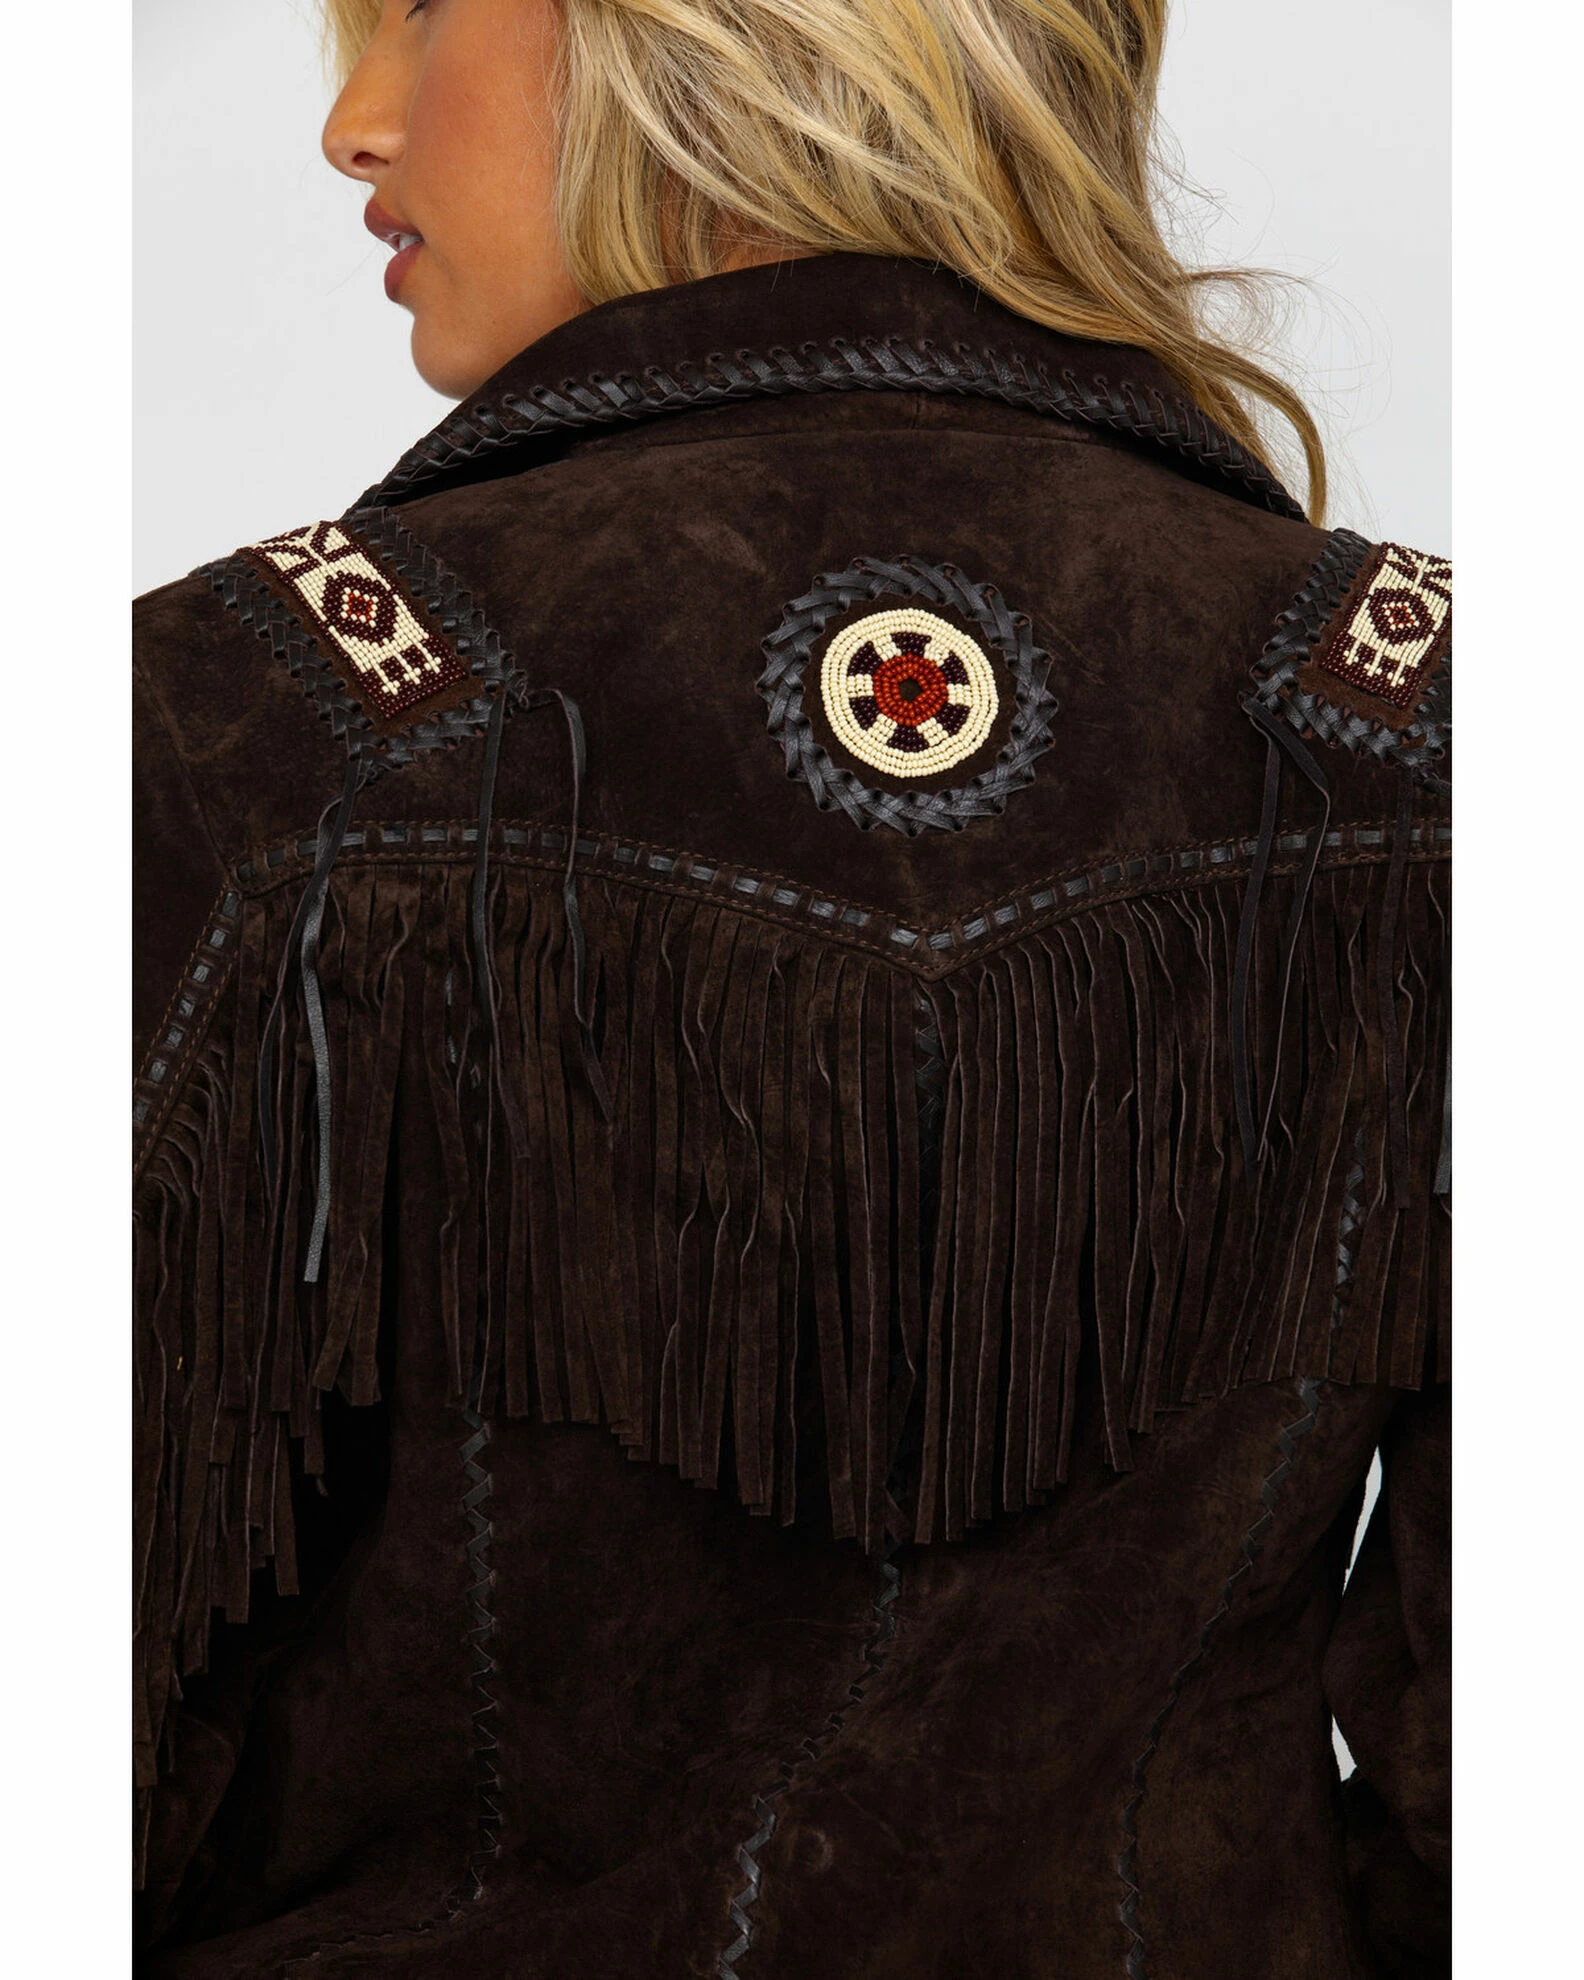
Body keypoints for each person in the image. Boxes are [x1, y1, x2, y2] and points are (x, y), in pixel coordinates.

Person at [132, 3, 1450, 1974]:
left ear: (715, 36)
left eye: (421, 7)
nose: (358, 124)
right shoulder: (1423, 721)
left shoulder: (223, 722)